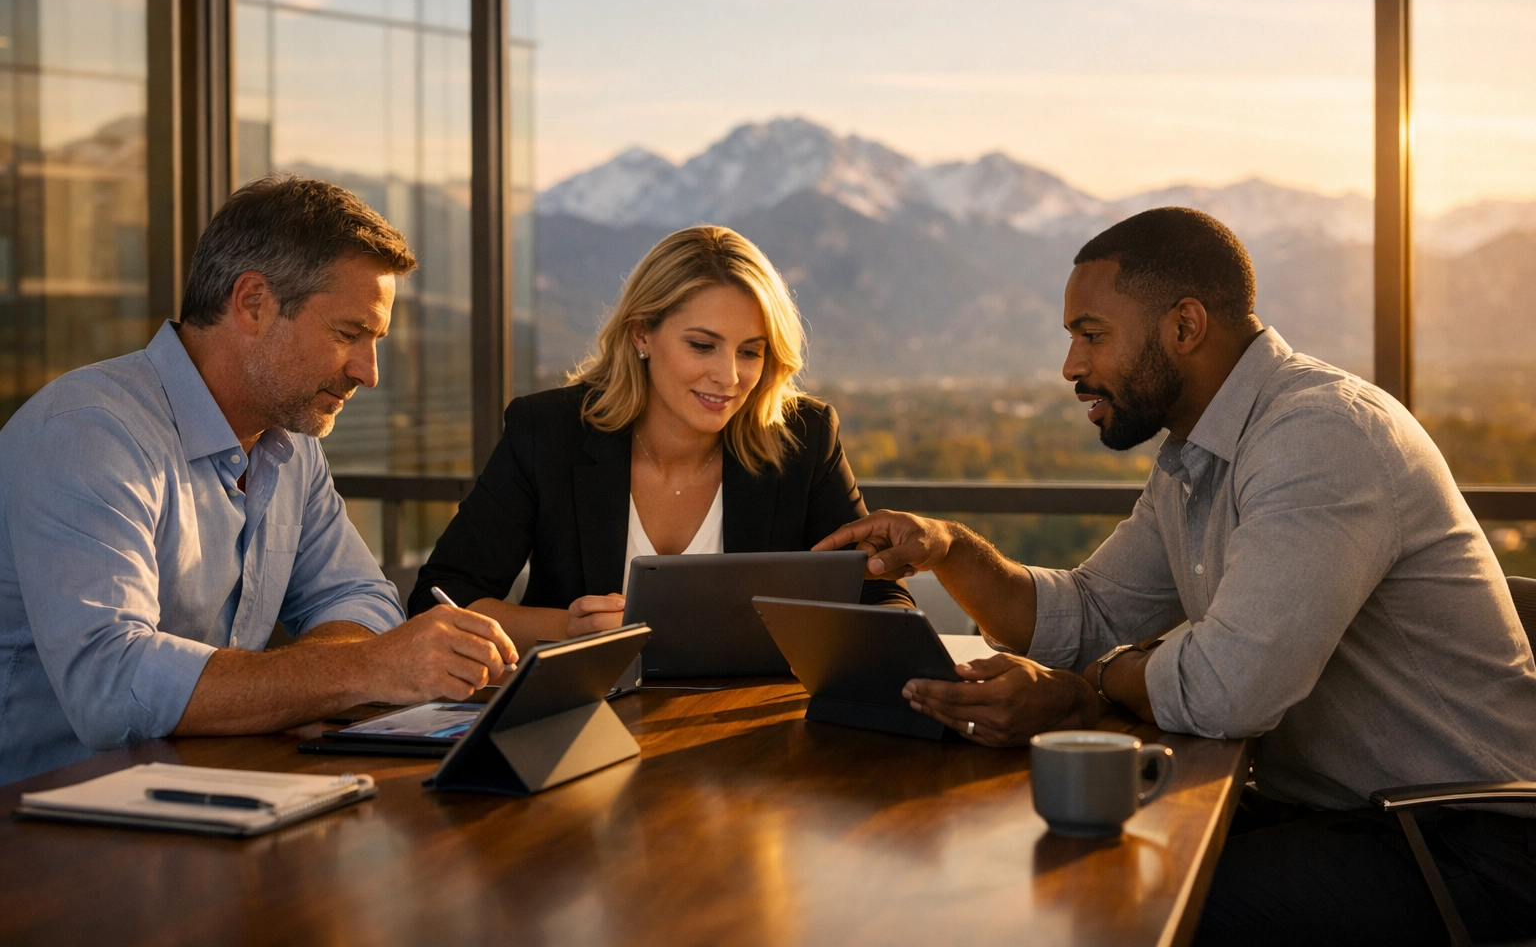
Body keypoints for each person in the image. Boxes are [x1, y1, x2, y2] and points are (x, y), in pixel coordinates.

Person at [814, 207, 1536, 944]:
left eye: (1091, 334)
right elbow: (1090, 616)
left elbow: (1230, 688)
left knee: (1137, 906)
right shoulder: (1195, 455)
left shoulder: (1321, 435)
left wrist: (1091, 689)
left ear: (1184, 326)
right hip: (1336, 817)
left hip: (1460, 840)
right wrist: (951, 550)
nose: (1070, 366)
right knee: (1058, 867)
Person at [0, 176, 516, 785]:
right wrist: (359, 670)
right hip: (45, 834)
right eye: (349, 334)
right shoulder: (89, 432)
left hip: (209, 792)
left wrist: (306, 680)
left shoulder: (291, 445)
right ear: (252, 303)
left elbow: (359, 600)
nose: (368, 372)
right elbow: (113, 686)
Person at [410, 225, 909, 643]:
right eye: (702, 345)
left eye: (750, 351)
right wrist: (567, 628)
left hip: (746, 728)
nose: (729, 377)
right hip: (584, 722)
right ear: (641, 333)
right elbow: (440, 599)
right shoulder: (548, 432)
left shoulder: (805, 438)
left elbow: (879, 597)